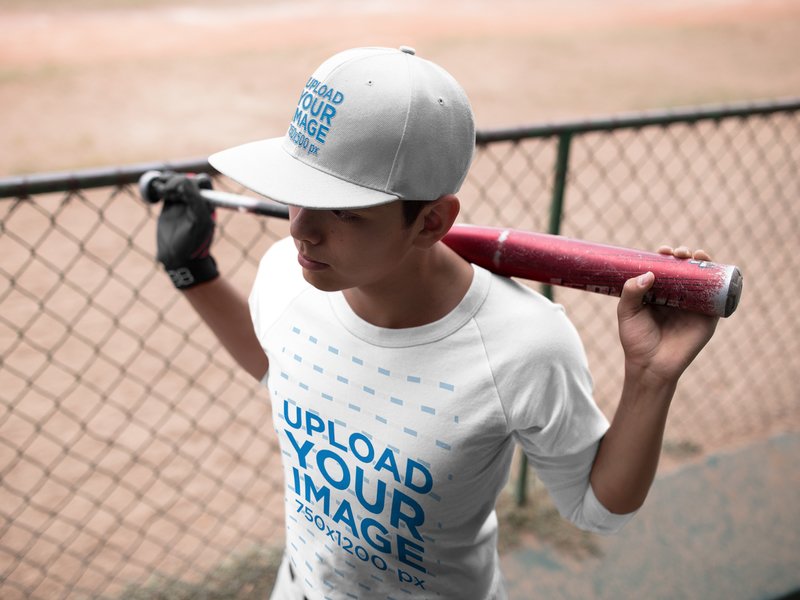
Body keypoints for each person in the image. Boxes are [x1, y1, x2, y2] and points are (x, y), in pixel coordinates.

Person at [154, 46, 718, 600]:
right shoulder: (286, 274)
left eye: (345, 210)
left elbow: (595, 509)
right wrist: (194, 274)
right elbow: (284, 371)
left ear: (431, 222)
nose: (302, 230)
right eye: (297, 193)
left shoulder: (524, 347)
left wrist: (649, 376)